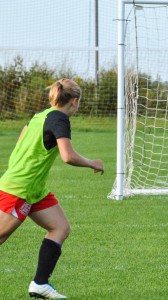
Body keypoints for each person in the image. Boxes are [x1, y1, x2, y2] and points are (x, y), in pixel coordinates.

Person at [0, 79, 104, 299]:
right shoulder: (60, 119)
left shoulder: (39, 116)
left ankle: (40, 283)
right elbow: (68, 156)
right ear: (74, 101)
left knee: (60, 227)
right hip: (20, 189)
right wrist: (92, 163)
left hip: (34, 189)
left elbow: (20, 143)